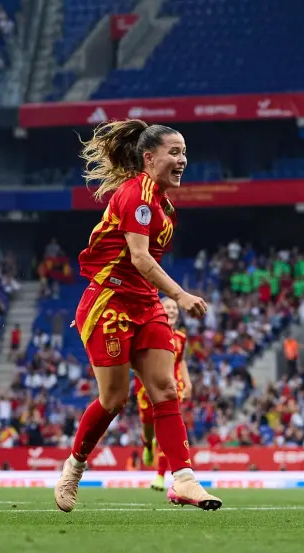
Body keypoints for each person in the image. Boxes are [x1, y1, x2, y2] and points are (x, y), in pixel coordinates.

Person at [53, 119, 222, 512]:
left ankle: (183, 480)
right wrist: (179, 295)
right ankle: (73, 470)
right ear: (149, 157)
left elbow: (146, 265)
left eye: (185, 152)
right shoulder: (138, 195)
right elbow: (141, 258)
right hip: (109, 301)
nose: (183, 159)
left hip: (144, 303)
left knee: (166, 388)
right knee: (114, 399)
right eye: (174, 152)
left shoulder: (164, 204)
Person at [139, 297, 192, 491]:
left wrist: (188, 383)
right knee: (148, 426)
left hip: (172, 385)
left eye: (174, 307)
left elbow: (181, 361)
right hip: (145, 385)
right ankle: (147, 445)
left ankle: (160, 475)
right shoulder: (148, 331)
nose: (171, 310)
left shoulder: (181, 338)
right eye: (167, 307)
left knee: (166, 425)